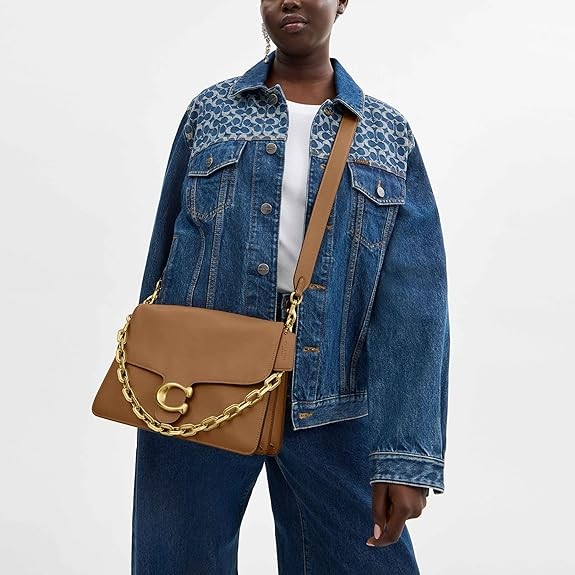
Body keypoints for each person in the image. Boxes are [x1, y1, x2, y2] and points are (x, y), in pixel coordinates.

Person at [131, 1, 450, 573]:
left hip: (333, 392)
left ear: (342, 2)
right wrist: (149, 369)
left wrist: (405, 455)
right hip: (198, 385)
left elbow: (414, 301)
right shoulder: (212, 112)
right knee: (179, 561)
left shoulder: (385, 133)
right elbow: (164, 252)